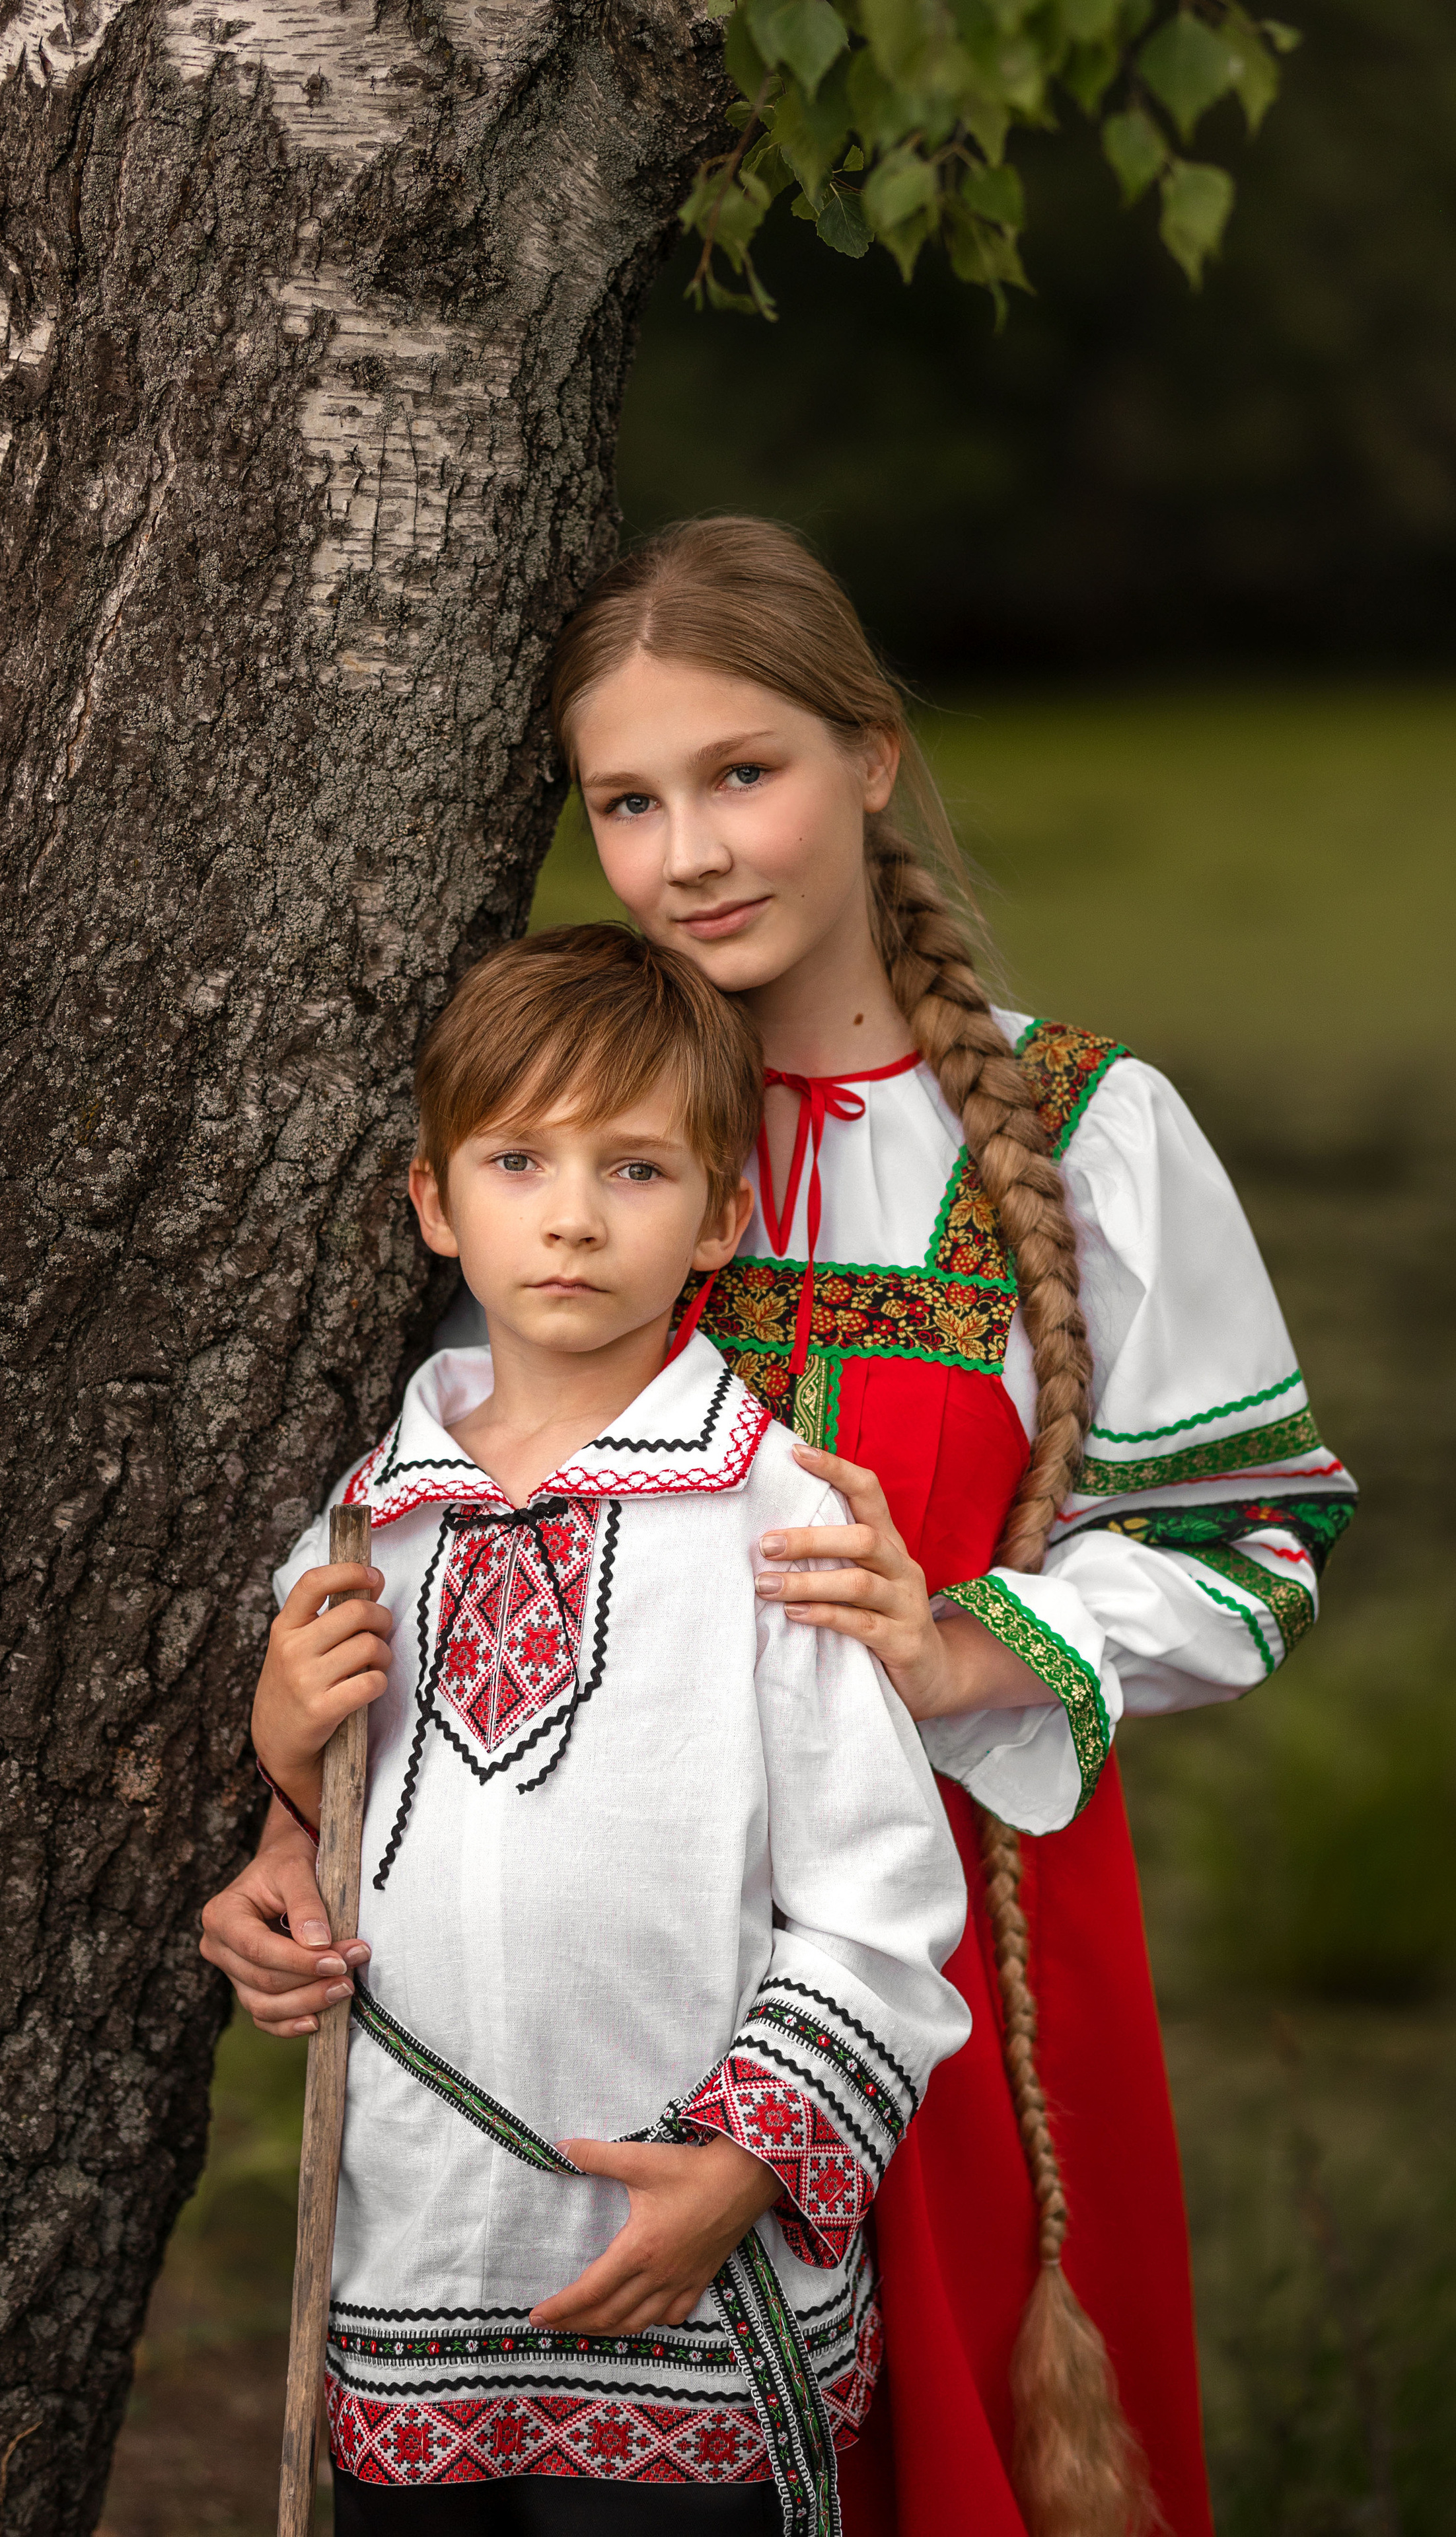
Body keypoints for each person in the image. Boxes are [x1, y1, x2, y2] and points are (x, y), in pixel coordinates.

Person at [203, 519, 1358, 2537]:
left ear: (873, 758)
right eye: (627, 802)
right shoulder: (570, 1129)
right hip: (588, 1996)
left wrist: (956, 1646)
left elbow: (1250, 1540)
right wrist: (298, 1811)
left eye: (745, 774)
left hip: (963, 1957)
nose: (688, 854)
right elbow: (438, 1531)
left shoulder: (1087, 1134)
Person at [248, 922, 971, 2535]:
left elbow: (884, 1903)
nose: (571, 1216)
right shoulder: (365, 1528)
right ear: (437, 1200)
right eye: (519, 1160)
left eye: (635, 1171)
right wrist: (284, 1771)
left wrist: (746, 2166)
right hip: (413, 2268)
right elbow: (338, 1846)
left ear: (723, 1213)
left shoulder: (774, 1524)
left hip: (689, 2297)